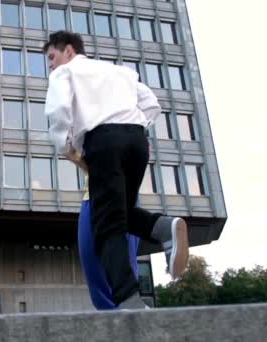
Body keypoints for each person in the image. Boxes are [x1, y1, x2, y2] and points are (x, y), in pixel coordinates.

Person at [44, 31, 189, 309]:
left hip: (103, 142)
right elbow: (151, 104)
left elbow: (59, 109)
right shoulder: (120, 72)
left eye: (52, 57)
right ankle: (163, 227)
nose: (50, 64)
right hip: (136, 141)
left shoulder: (64, 73)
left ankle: (127, 300)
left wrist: (66, 146)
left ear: (69, 51)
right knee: (120, 212)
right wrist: (130, 126)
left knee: (107, 228)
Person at [77, 173, 141, 310]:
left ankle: (163, 226)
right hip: (92, 195)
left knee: (121, 286)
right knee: (98, 288)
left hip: (120, 194)